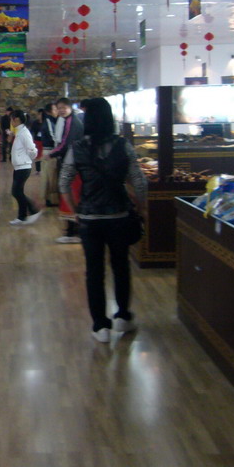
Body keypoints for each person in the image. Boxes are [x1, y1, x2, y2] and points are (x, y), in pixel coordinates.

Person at [59, 97, 147, 344]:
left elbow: (64, 181)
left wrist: (77, 210)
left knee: (94, 272)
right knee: (121, 266)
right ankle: (122, 316)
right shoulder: (123, 145)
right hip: (119, 214)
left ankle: (100, 325)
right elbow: (139, 182)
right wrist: (141, 208)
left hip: (89, 218)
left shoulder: (77, 147)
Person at [50, 97, 84, 243]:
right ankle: (72, 231)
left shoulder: (74, 122)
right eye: (59, 108)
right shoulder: (69, 120)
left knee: (71, 195)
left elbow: (67, 144)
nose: (61, 110)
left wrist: (52, 153)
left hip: (74, 166)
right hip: (73, 164)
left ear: (70, 107)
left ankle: (74, 233)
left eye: (64, 107)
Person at [9, 109, 41, 225]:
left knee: (16, 192)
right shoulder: (20, 132)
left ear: (16, 119)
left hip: (23, 167)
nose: (10, 122)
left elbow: (32, 149)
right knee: (17, 191)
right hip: (19, 166)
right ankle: (22, 216)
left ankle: (33, 210)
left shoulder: (24, 133)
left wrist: (30, 157)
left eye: (11, 119)